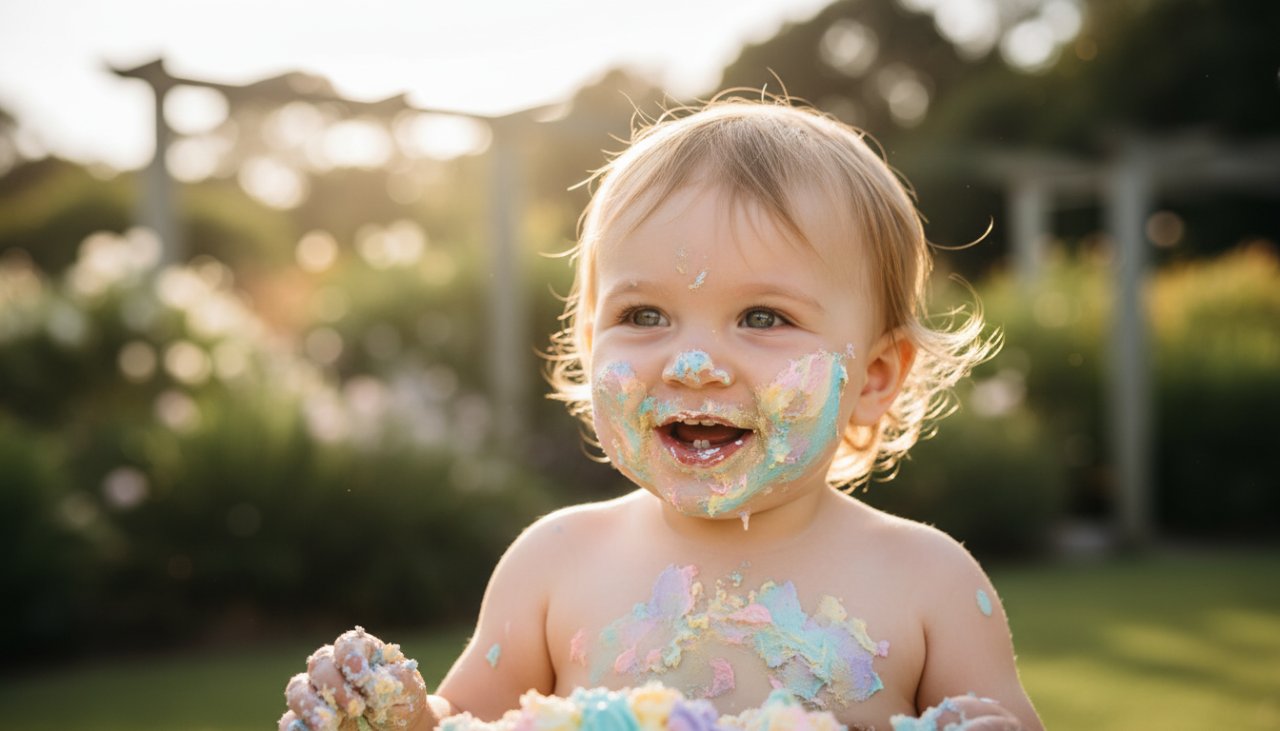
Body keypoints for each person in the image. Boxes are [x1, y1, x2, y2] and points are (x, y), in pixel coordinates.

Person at [279, 96, 1043, 731]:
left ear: (874, 376)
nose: (692, 363)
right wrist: (397, 716)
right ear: (587, 347)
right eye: (644, 316)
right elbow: (457, 723)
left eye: (763, 316)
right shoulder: (554, 565)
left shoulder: (929, 584)